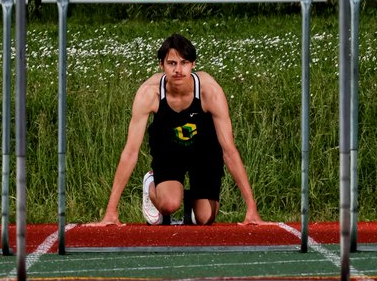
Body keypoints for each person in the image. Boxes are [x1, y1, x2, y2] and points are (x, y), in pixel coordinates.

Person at [93, 33, 264, 226]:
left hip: (204, 150)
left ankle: (193, 205)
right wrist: (110, 210)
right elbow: (130, 152)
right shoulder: (150, 93)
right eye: (172, 63)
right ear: (161, 65)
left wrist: (251, 207)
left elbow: (229, 150)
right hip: (168, 149)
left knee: (205, 218)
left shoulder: (210, 92)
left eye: (184, 63)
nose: (178, 70)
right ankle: (151, 185)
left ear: (193, 64)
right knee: (169, 204)